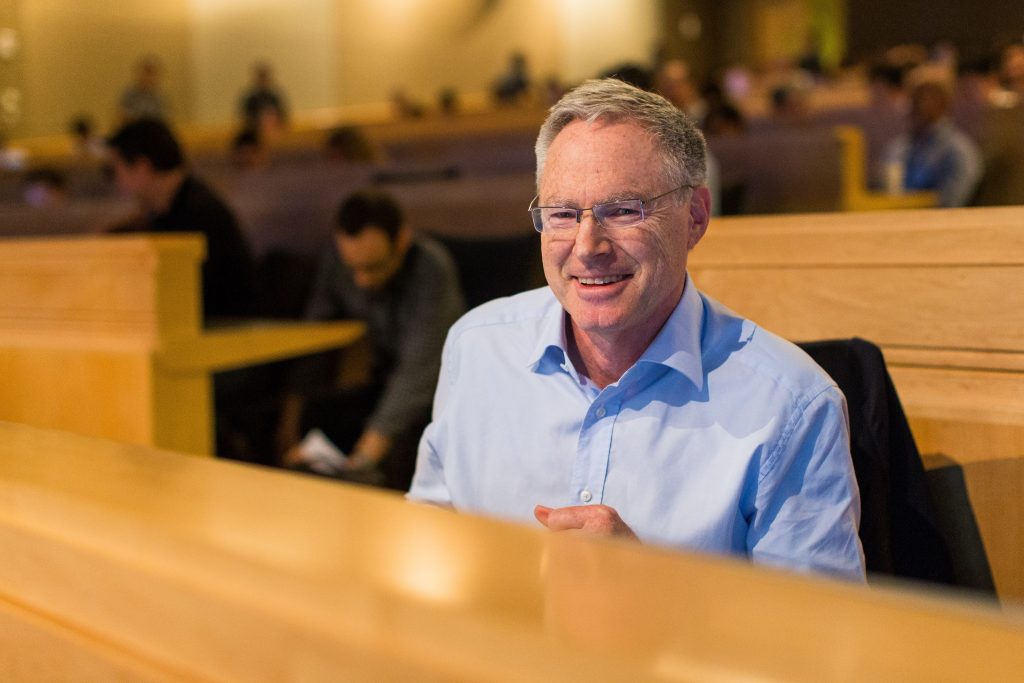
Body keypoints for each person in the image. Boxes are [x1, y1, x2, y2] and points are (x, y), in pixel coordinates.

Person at [408, 78, 865, 581]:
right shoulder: (477, 348)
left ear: (695, 217)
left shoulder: (792, 405)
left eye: (623, 211)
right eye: (562, 214)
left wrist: (649, 588)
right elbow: (429, 537)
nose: (587, 246)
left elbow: (818, 626)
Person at [279, 191, 465, 491]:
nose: (361, 281)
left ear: (401, 241)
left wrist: (364, 458)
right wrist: (290, 422)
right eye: (352, 268)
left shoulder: (431, 268)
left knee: (406, 443)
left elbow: (419, 372)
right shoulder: (335, 260)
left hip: (438, 392)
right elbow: (315, 338)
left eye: (373, 267)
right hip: (383, 379)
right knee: (322, 413)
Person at [106, 118, 256, 319]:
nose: (117, 181)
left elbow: (184, 294)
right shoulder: (170, 207)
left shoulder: (198, 213)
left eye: (116, 170)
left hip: (228, 327)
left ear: (142, 167)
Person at [880, 79, 983, 207]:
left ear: (941, 106)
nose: (910, 111)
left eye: (918, 104)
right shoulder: (902, 145)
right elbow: (888, 188)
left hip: (938, 217)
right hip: (897, 212)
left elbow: (951, 203)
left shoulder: (958, 151)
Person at [239, 61, 288, 132]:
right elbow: (245, 120)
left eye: (265, 78)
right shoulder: (251, 100)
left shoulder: (274, 98)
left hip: (275, 132)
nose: (263, 81)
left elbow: (283, 117)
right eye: (261, 78)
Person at [119, 56, 169, 123]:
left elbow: (164, 117)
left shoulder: (160, 96)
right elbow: (122, 114)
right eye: (146, 72)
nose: (148, 77)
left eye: (152, 73)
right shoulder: (129, 93)